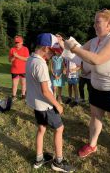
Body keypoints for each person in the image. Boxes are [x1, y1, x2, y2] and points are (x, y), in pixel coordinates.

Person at [61, 9, 110, 158]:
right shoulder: (94, 41)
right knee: (95, 115)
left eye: (97, 22)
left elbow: (96, 59)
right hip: (97, 85)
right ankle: (92, 145)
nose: (94, 25)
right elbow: (77, 55)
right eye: (94, 22)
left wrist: (72, 47)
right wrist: (61, 45)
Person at [26, 33, 74, 172]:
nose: (53, 55)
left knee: (41, 129)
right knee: (59, 128)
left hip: (36, 105)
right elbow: (46, 91)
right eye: (53, 51)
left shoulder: (30, 58)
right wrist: (57, 105)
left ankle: (39, 158)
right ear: (46, 48)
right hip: (45, 105)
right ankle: (58, 162)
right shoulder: (40, 64)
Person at [9, 35, 29, 101]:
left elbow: (26, 59)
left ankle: (23, 96)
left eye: (18, 42)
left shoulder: (25, 49)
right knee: (14, 85)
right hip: (14, 70)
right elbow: (9, 60)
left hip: (23, 70)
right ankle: (14, 96)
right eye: (15, 42)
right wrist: (14, 57)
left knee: (23, 84)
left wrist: (17, 56)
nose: (16, 44)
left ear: (22, 42)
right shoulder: (12, 49)